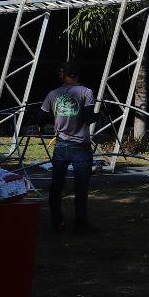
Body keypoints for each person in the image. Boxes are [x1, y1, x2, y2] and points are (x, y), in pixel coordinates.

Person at [41, 62, 96, 233]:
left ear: (63, 75)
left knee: (56, 185)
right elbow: (89, 118)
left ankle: (57, 223)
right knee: (81, 186)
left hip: (61, 145)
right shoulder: (86, 92)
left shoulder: (53, 94)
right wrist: (99, 115)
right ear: (78, 75)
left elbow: (41, 117)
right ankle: (81, 225)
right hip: (81, 145)